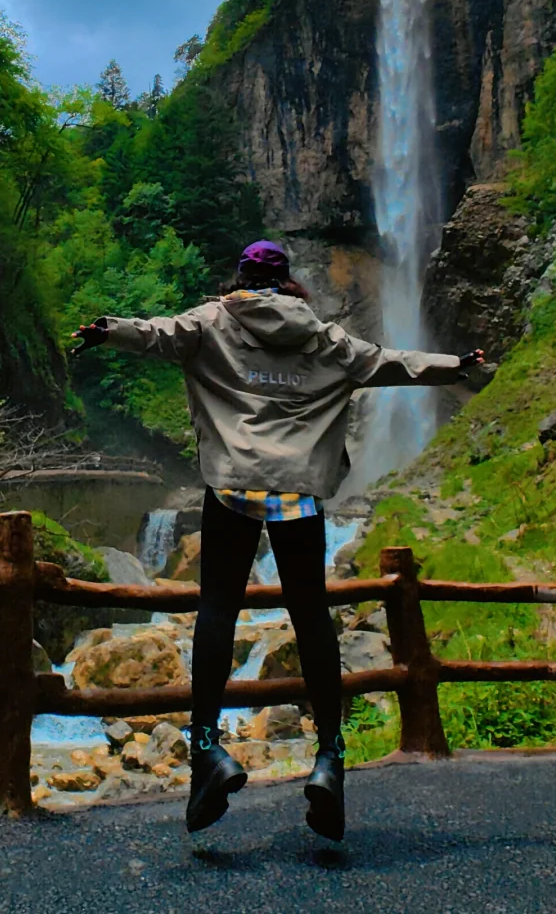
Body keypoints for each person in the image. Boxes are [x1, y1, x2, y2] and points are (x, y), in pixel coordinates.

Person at [74, 238, 484, 841]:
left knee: (216, 612)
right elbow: (392, 362)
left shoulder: (210, 322)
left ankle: (209, 749)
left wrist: (106, 330)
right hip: (297, 494)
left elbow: (155, 334)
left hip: (234, 489)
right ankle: (330, 756)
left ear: (240, 276)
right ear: (288, 282)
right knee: (313, 618)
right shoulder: (324, 337)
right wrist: (457, 365)